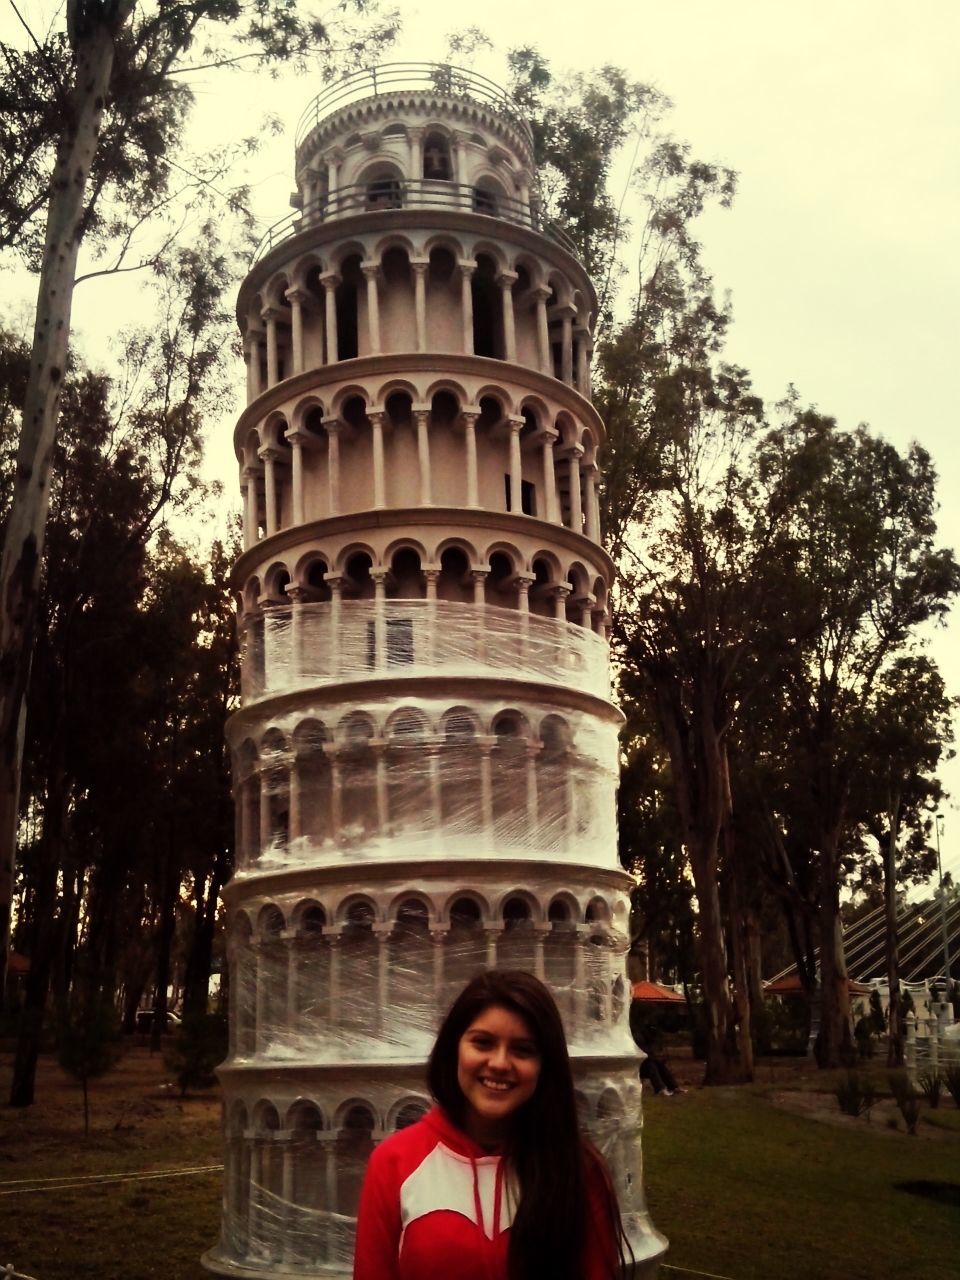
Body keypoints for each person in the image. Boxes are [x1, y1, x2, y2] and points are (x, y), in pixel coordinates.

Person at [353, 969, 633, 1280]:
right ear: (454, 1048)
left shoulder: (578, 1169)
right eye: (483, 1043)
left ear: (545, 1065)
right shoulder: (395, 1163)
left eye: (522, 1050)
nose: (499, 1063)